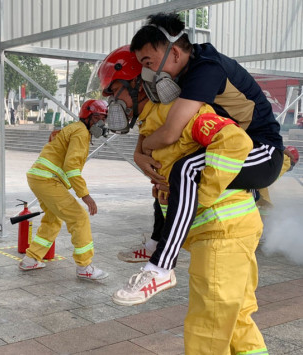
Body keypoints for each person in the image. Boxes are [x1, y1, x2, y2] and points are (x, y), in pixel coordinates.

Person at [98, 45, 268, 354]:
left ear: (139, 84)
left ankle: (161, 268)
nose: (113, 103)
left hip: (222, 229)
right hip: (229, 227)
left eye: (116, 92)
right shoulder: (154, 119)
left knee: (208, 325)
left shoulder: (175, 112)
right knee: (238, 321)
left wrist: (202, 194)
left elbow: (234, 142)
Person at [117, 12, 290, 268]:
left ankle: (162, 266)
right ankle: (155, 242)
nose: (148, 73)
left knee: (185, 169)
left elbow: (170, 131)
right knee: (167, 166)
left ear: (175, 53)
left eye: (149, 63)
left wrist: (141, 152)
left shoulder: (206, 69)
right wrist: (143, 152)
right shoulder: (182, 72)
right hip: (227, 146)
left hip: (261, 152)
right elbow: (161, 124)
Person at [19, 99, 109, 281]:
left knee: (53, 219)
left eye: (104, 119)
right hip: (47, 180)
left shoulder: (75, 128)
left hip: (38, 177)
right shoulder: (81, 133)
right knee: (79, 218)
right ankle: (84, 266)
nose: (103, 123)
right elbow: (72, 167)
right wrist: (86, 196)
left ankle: (31, 259)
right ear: (89, 116)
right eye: (99, 118)